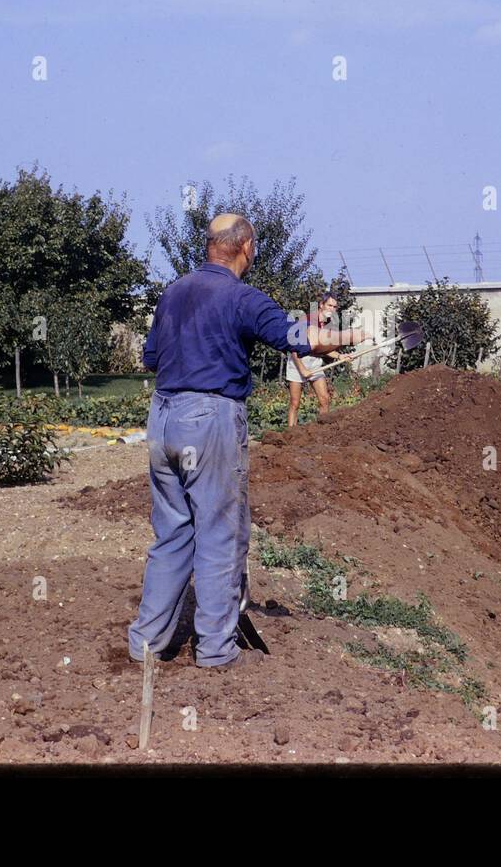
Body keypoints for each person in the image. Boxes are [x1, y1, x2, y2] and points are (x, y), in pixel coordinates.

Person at [128, 214, 370, 669]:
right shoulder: (242, 297)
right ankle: (216, 650)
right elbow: (299, 338)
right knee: (220, 533)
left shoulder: (173, 292)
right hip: (209, 419)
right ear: (245, 247)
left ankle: (146, 642)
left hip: (162, 420)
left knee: (172, 534)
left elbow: (152, 357)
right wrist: (355, 335)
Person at [286, 291, 343, 427]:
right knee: (295, 403)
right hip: (298, 362)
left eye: (335, 307)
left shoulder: (329, 324)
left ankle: (322, 434)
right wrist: (302, 369)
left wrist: (340, 356)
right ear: (321, 305)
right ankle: (290, 435)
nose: (332, 309)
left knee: (324, 399)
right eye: (329, 305)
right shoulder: (306, 320)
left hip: (315, 363)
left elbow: (325, 349)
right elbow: (293, 347)